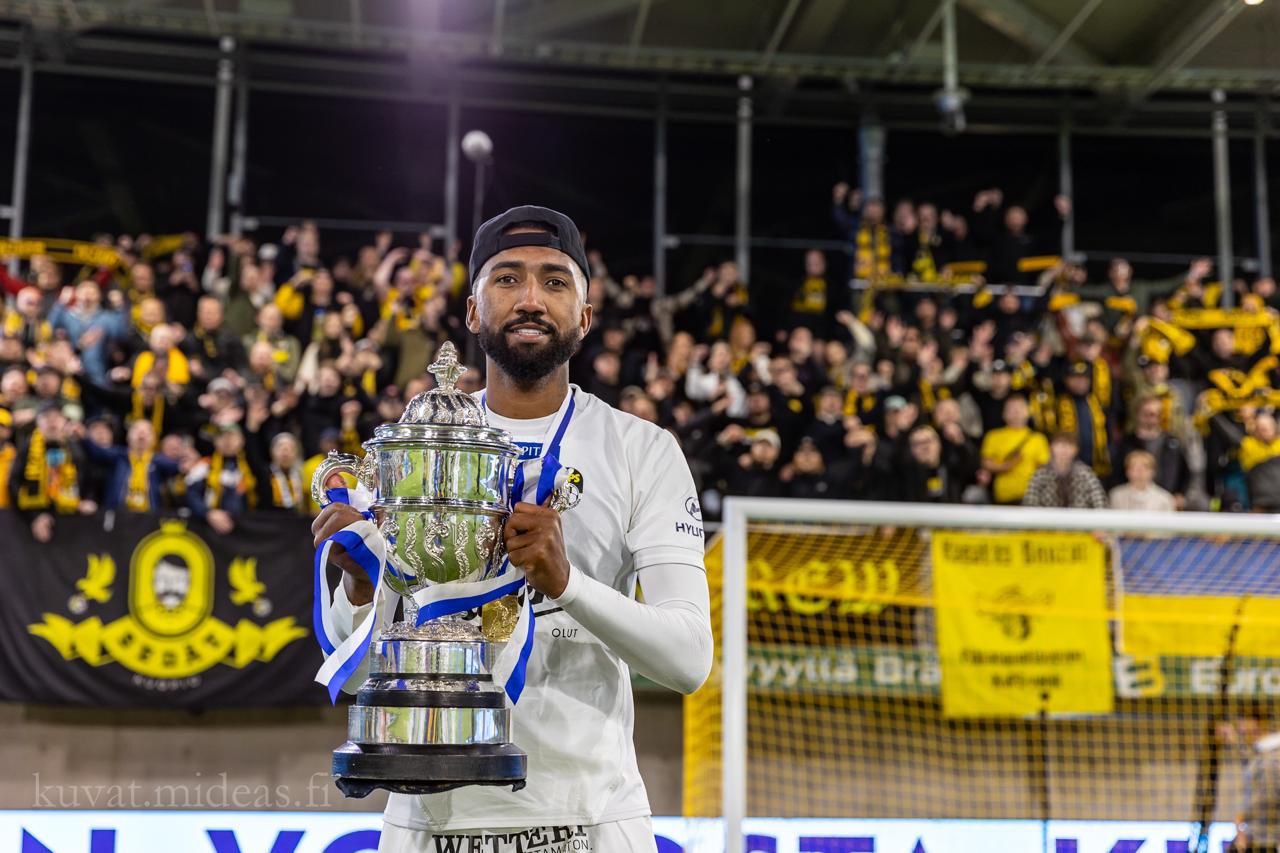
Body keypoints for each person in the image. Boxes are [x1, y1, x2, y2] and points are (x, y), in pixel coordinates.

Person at [311, 205, 713, 852]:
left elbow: (690, 659)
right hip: (427, 822)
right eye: (507, 279)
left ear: (584, 316)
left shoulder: (643, 449)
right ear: (472, 311)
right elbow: (355, 677)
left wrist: (569, 582)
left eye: (555, 281)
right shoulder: (418, 441)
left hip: (590, 820)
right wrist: (360, 589)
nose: (531, 298)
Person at [978, 395, 1050, 505]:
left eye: (1020, 408)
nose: (1016, 412)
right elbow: (986, 463)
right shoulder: (993, 436)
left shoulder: (1038, 438)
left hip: (1031, 497)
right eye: (1011, 408)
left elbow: (1044, 469)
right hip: (1003, 496)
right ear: (1004, 413)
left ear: (1028, 411)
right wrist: (1007, 465)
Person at [1023, 432, 1108, 509]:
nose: (1064, 449)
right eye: (1059, 444)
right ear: (1051, 447)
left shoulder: (1085, 473)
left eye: (1069, 445)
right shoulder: (1040, 474)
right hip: (1047, 523)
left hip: (1080, 523)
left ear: (1076, 450)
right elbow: (1030, 504)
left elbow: (1099, 501)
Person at [1108, 450, 1176, 512]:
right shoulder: (1116, 495)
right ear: (1127, 471)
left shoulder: (1165, 498)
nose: (1140, 471)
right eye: (1135, 467)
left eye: (1145, 467)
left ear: (1153, 471)